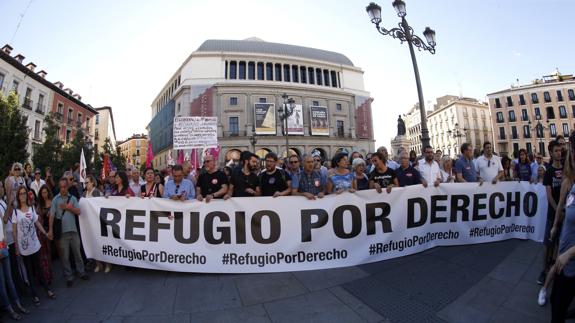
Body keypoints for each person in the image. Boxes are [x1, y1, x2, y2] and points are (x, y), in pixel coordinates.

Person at [13, 186, 55, 304]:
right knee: (29, 272)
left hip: (35, 244)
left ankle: (47, 289)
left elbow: (37, 223)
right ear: (18, 196)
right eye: (20, 194)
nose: (22, 195)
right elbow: (15, 231)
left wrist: (46, 233)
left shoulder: (31, 209)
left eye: (24, 193)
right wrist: (16, 247)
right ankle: (34, 295)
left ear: (27, 195)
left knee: (40, 269)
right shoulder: (16, 212)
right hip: (24, 248)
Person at [49, 178, 89, 287]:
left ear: (67, 187)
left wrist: (68, 208)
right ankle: (69, 277)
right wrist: (50, 230)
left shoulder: (73, 198)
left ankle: (81, 272)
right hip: (62, 233)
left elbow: (79, 211)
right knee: (65, 257)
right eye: (60, 187)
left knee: (77, 254)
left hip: (73, 231)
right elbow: (52, 215)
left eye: (64, 186)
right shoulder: (55, 200)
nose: (62, 189)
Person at [537, 141, 564, 303]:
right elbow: (549, 196)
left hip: (565, 215)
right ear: (551, 153)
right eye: (556, 151)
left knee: (561, 245)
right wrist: (558, 211)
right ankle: (544, 270)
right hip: (552, 215)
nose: (559, 153)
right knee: (548, 244)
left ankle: (556, 269)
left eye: (560, 151)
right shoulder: (549, 172)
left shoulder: (566, 169)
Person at [36, 185, 54, 286]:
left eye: (45, 192)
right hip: (45, 231)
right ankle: (48, 275)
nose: (44, 194)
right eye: (42, 193)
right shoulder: (39, 205)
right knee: (46, 253)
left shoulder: (53, 201)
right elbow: (38, 219)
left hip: (54, 227)